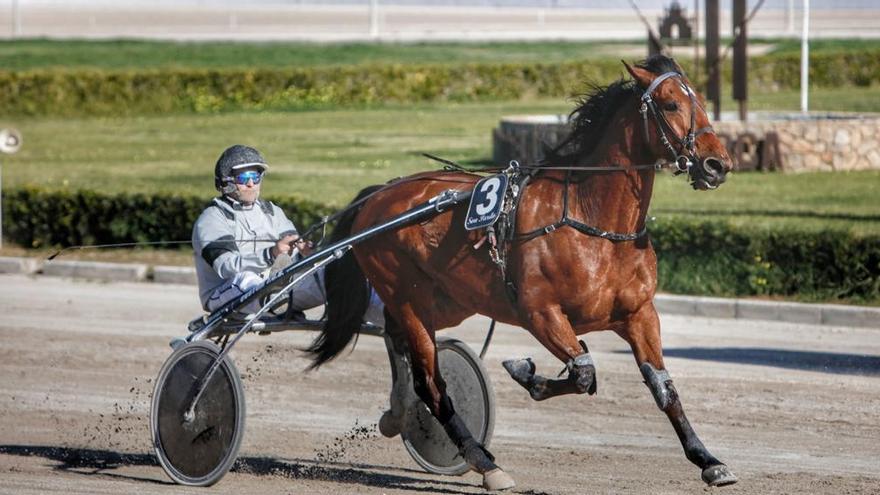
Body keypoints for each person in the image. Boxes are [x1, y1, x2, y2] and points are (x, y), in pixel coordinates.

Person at [192, 144, 326, 315]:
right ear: (227, 181)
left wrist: (304, 254)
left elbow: (288, 257)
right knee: (245, 279)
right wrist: (270, 254)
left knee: (331, 274)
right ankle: (273, 300)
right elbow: (226, 267)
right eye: (243, 178)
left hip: (274, 287)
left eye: (255, 177)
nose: (251, 183)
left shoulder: (272, 211)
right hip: (227, 292)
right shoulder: (212, 218)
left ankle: (363, 305)